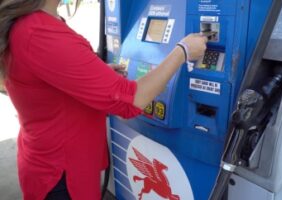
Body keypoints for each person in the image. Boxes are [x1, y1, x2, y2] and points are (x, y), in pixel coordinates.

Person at [0, 0, 207, 199]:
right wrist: (183, 51)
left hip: (52, 158)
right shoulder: (38, 32)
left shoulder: (32, 24)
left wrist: (95, 73)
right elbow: (133, 100)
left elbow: (47, 78)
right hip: (60, 173)